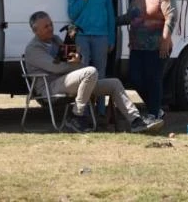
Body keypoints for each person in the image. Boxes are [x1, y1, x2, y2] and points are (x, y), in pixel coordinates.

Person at [24, 10, 163, 134]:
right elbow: (56, 68)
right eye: (46, 26)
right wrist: (76, 64)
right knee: (90, 71)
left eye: (51, 24)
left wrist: (79, 57)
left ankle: (135, 121)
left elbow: (74, 58)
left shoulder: (55, 40)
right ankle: (76, 116)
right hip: (51, 87)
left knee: (114, 83)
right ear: (35, 31)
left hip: (69, 80)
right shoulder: (33, 49)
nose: (50, 28)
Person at [66, 0, 115, 115]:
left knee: (100, 73)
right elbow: (72, 13)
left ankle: (100, 110)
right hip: (82, 35)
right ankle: (84, 111)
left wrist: (112, 38)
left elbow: (109, 12)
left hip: (101, 35)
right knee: (83, 73)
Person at [127, 0, 175, 121]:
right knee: (134, 79)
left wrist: (165, 40)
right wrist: (109, 21)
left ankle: (153, 114)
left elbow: (171, 17)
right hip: (137, 47)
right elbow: (130, 17)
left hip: (157, 47)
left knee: (153, 79)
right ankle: (156, 108)